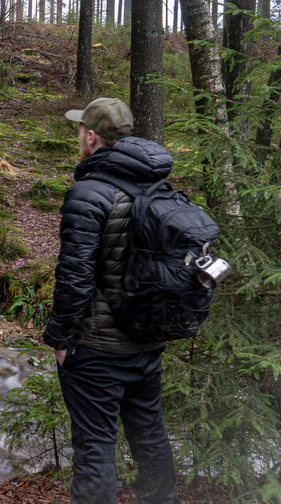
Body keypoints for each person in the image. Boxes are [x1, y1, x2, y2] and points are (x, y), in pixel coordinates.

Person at [42, 97, 181, 504]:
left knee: (94, 445)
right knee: (150, 434)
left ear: (90, 136)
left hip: (97, 348)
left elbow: (74, 277)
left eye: (79, 132)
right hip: (146, 339)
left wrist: (60, 339)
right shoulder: (158, 185)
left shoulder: (88, 193)